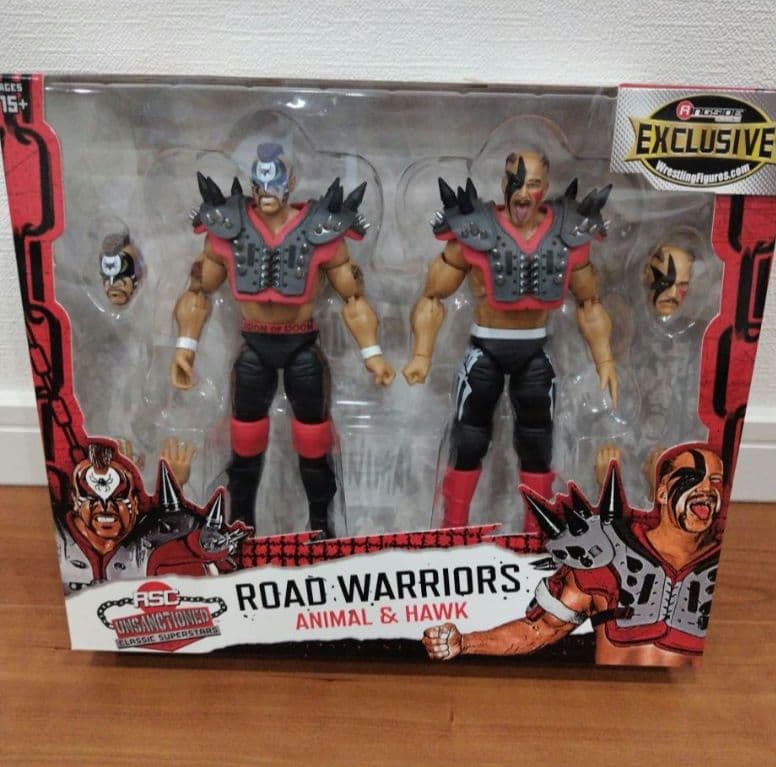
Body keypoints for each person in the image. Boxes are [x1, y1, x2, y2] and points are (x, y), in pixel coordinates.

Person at [170, 143, 394, 537]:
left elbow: (353, 298)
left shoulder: (321, 231)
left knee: (314, 442)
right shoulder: (229, 227)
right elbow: (198, 291)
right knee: (244, 445)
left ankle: (321, 528)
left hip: (301, 346)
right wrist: (185, 348)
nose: (266, 190)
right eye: (260, 182)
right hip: (254, 346)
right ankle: (241, 529)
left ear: (289, 183)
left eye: (274, 181)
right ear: (253, 184)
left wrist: (372, 353)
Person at [403, 150, 616, 531]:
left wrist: (605, 360)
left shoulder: (568, 235)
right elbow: (432, 296)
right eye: (515, 183)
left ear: (544, 188)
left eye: (532, 184)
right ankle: (453, 529)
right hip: (484, 349)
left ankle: (536, 533)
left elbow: (590, 303)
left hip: (535, 351)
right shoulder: (475, 231)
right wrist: (421, 354)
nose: (522, 192)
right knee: (468, 441)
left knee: (537, 445)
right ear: (503, 184)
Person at [422, 445, 724, 667]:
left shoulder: (718, 566)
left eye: (715, 481)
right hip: (608, 702)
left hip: (683, 707)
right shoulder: (608, 552)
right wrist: (466, 642)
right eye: (692, 477)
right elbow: (540, 629)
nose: (706, 489)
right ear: (662, 492)